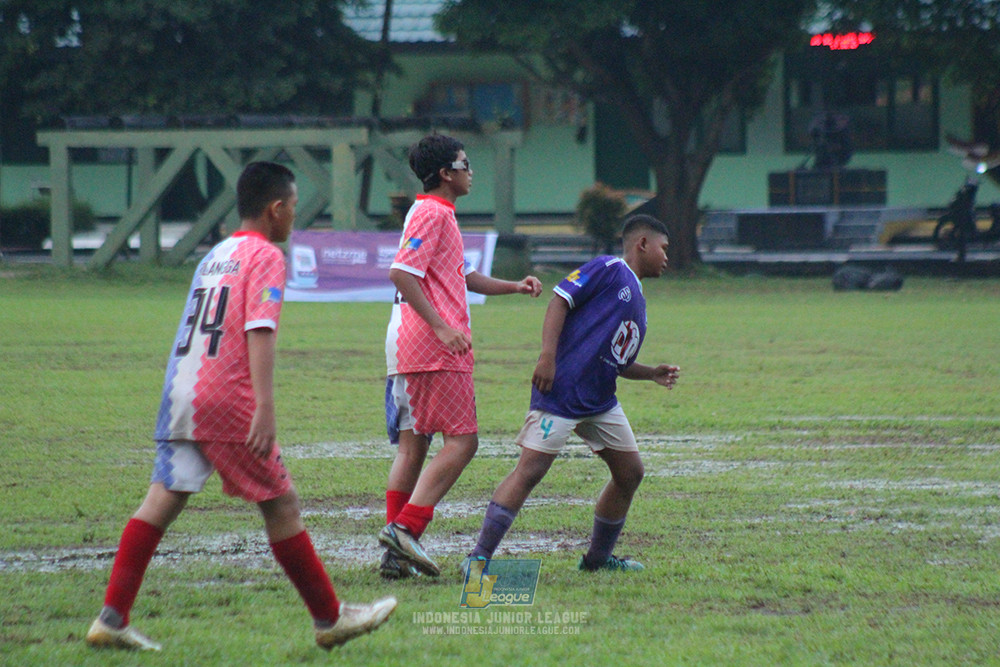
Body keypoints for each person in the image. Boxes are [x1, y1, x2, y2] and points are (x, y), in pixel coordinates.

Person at [85, 162, 396, 652]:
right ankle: (330, 617)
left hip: (180, 391)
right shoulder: (266, 256)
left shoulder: (217, 254)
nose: (294, 217)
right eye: (293, 208)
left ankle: (111, 617)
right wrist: (265, 406)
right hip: (225, 396)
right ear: (276, 209)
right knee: (282, 504)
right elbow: (259, 329)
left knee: (163, 498)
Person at [464, 214, 679, 572]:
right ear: (642, 244)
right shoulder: (608, 268)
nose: (667, 257)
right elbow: (559, 300)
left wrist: (650, 373)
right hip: (562, 391)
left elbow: (617, 361)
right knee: (530, 470)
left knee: (630, 473)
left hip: (599, 399)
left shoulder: (637, 298)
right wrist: (547, 356)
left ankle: (596, 560)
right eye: (664, 248)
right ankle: (478, 559)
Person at [379, 134, 542, 579]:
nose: (472, 171)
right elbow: (401, 273)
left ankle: (395, 554)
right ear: (446, 173)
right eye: (465, 163)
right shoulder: (433, 212)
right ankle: (406, 530)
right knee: (464, 442)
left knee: (413, 449)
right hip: (431, 349)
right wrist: (441, 327)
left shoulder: (434, 213)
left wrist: (513, 286)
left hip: (408, 346)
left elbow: (462, 276)